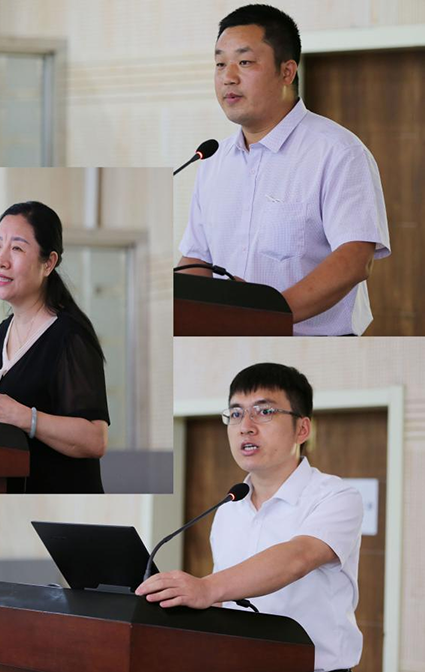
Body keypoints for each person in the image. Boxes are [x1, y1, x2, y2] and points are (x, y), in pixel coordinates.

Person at [176, 4, 389, 336]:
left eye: (245, 62)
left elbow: (354, 260)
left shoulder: (337, 152)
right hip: (226, 340)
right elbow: (196, 259)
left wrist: (266, 315)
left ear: (287, 72)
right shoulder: (213, 160)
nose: (228, 77)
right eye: (220, 64)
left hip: (314, 343)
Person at [137, 363, 362, 672]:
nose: (245, 426)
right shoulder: (229, 507)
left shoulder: (336, 496)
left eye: (264, 412)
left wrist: (206, 587)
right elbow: (226, 599)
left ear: (302, 429)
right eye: (236, 413)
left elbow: (297, 557)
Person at [0, 201, 110, 493]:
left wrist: (24, 417)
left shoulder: (69, 335)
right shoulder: (5, 330)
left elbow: (95, 439)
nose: (1, 260)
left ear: (49, 263)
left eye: (17, 248)